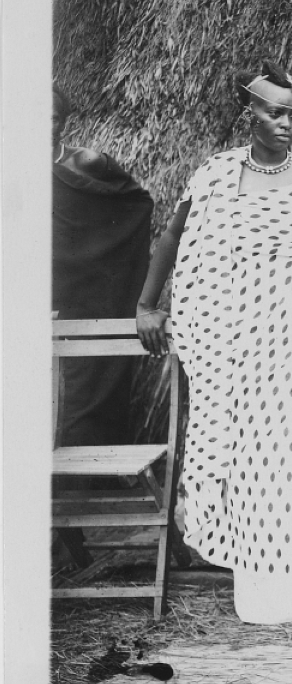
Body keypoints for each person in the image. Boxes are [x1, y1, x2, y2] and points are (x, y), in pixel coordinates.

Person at [135, 60, 292, 624]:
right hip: (244, 351)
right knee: (255, 466)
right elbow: (175, 235)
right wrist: (149, 303)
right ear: (246, 113)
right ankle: (265, 585)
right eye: (273, 112)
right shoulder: (217, 176)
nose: (284, 124)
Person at [52, 84, 154, 449]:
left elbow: (136, 203)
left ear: (62, 123)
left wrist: (98, 258)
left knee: (85, 395)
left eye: (51, 118)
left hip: (83, 289)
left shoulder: (85, 163)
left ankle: (80, 488)